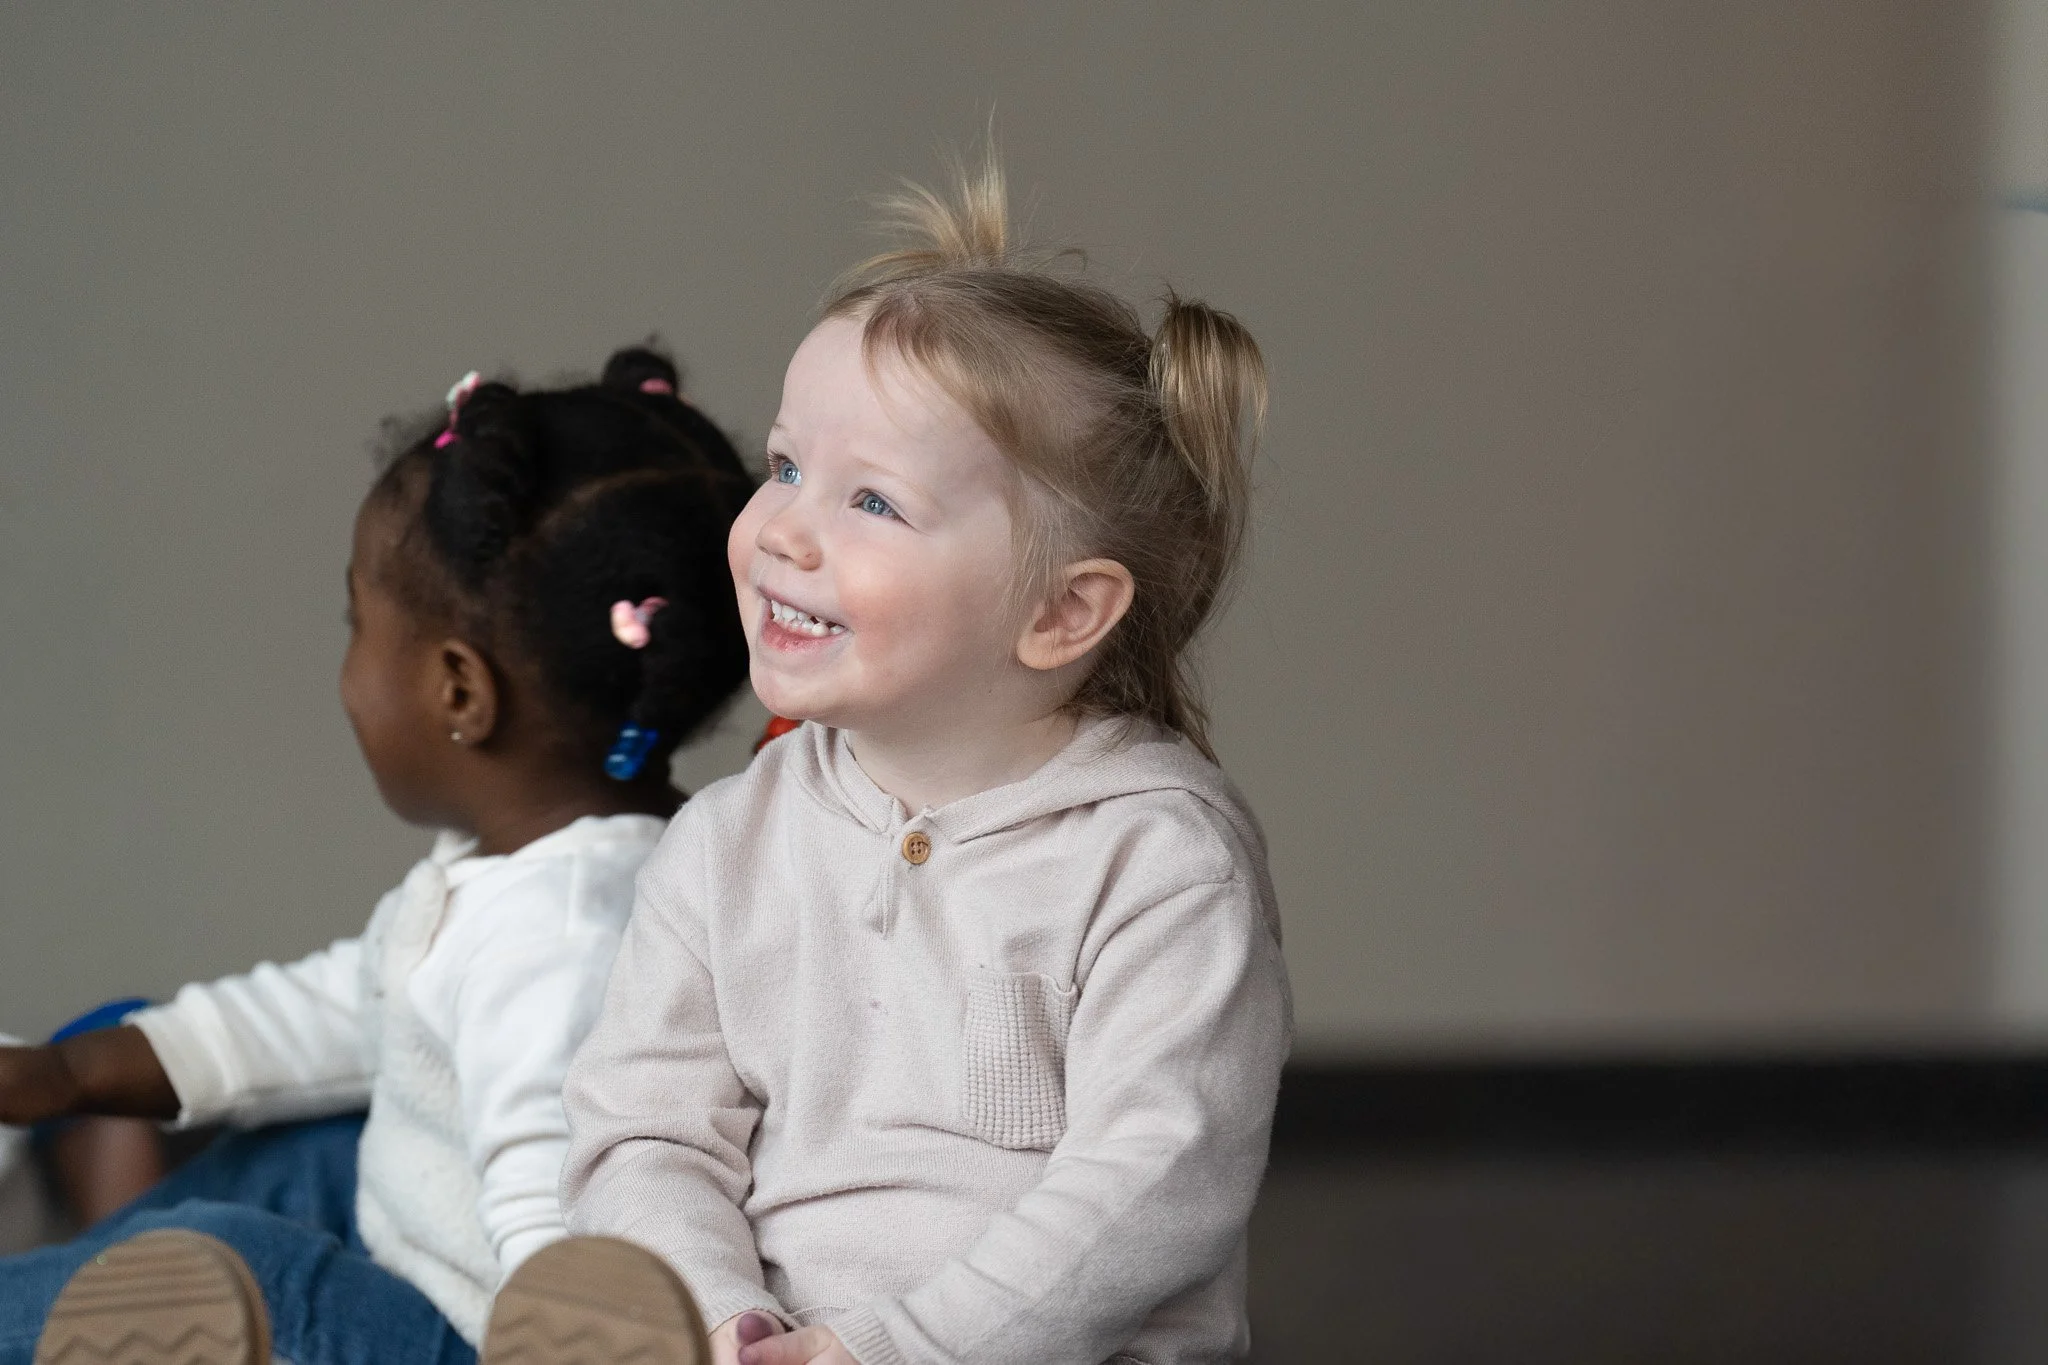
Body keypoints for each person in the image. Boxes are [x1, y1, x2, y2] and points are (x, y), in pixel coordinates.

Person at [522, 158, 1293, 1365]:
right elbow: (644, 1136)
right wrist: (724, 1323)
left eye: (870, 503)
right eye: (784, 467)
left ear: (1058, 613)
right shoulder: (730, 842)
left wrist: (887, 1350)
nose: (781, 527)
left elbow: (1152, 1183)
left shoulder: (1154, 860)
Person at [0, 346, 755, 1365]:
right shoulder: (514, 865)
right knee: (301, 1148)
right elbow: (340, 1009)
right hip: (414, 1243)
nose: (348, 671)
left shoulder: (563, 928)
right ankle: (89, 1299)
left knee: (235, 1253)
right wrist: (77, 1071)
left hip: (467, 1334)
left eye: (360, 624)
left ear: (457, 690)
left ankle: (83, 1311)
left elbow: (569, 1210)